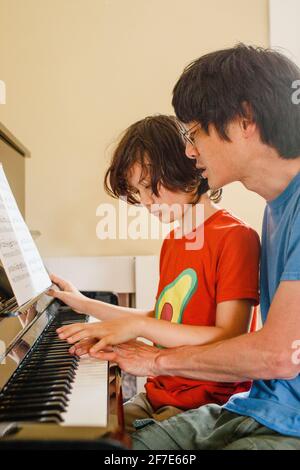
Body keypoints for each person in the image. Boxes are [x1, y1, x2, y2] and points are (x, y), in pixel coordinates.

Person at [89, 44, 300, 450]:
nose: (189, 151)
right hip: (255, 407)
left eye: (195, 132)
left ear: (245, 120)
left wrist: (152, 359)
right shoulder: (276, 208)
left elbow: (278, 354)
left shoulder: (247, 228)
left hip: (286, 426)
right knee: (99, 444)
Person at [48, 114, 260, 433]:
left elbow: (230, 336)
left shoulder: (235, 237)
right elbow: (165, 319)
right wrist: (83, 304)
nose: (146, 202)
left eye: (149, 187)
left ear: (187, 165)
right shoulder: (174, 241)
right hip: (158, 394)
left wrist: (139, 325)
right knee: (79, 432)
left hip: (207, 406)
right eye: (137, 192)